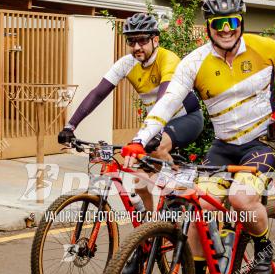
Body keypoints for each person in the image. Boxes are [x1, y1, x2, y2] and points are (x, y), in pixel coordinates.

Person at [121, 0, 275, 274]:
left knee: (241, 199)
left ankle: (264, 250)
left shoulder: (264, 47)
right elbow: (167, 103)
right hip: (223, 146)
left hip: (263, 142)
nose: (225, 30)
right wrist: (140, 140)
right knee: (199, 211)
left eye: (231, 23)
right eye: (218, 24)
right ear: (207, 27)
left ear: (240, 23)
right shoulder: (195, 62)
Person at [57, 12, 204, 218]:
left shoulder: (168, 59)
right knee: (140, 181)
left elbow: (164, 101)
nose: (136, 47)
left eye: (142, 40)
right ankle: (152, 232)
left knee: (159, 146)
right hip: (156, 125)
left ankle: (178, 187)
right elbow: (98, 93)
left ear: (155, 39)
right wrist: (70, 126)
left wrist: (152, 133)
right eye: (131, 41)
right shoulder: (127, 63)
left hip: (186, 119)